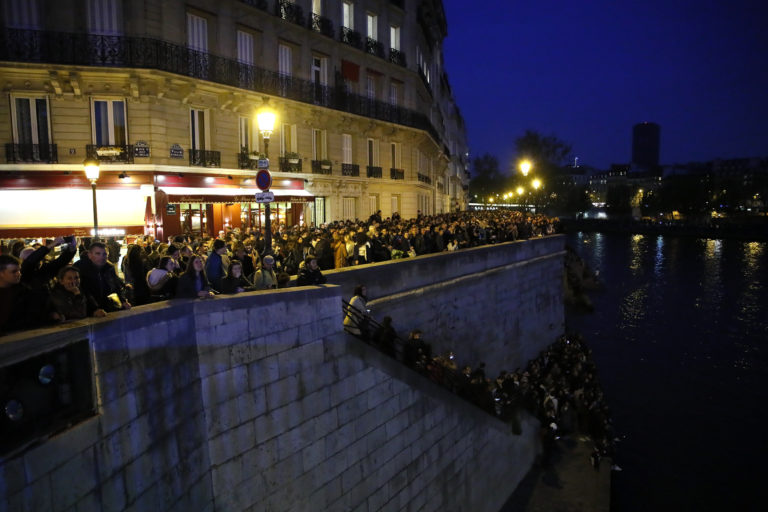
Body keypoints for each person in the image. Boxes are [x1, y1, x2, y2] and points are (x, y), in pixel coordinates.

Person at [0, 254, 55, 334]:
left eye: (19, 270)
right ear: (1, 273)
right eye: (14, 271)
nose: (19, 274)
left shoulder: (26, 292)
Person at [73, 242, 131, 312]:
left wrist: (123, 301)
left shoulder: (109, 268)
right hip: (84, 308)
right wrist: (94, 309)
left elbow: (116, 285)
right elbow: (84, 291)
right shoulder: (80, 268)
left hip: (104, 306)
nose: (101, 257)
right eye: (97, 254)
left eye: (104, 254)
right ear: (89, 255)